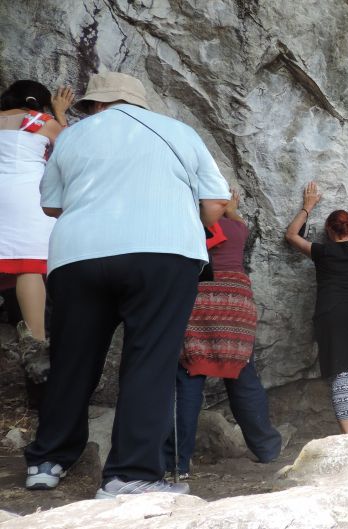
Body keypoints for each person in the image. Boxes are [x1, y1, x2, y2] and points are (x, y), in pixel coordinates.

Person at [25, 72, 230, 499]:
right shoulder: (179, 132)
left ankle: (48, 461)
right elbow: (214, 204)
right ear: (137, 101)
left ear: (97, 104)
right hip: (162, 252)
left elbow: (50, 204)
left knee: (72, 359)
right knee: (149, 360)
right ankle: (129, 475)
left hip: (77, 256)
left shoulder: (71, 137)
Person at [164, 190, 281, 478]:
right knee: (243, 375)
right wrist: (231, 207)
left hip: (199, 300)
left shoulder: (188, 225)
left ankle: (178, 464)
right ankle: (266, 448)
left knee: (189, 378)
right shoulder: (236, 228)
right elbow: (237, 222)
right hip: (236, 304)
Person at [285, 181, 348, 434]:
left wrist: (307, 207)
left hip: (332, 315)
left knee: (341, 374)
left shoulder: (323, 252)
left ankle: (347, 436)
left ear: (329, 229)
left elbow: (292, 235)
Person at [0, 80, 72, 370]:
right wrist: (59, 112)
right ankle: (36, 343)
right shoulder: (40, 121)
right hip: (25, 196)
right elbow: (72, 149)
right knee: (27, 266)